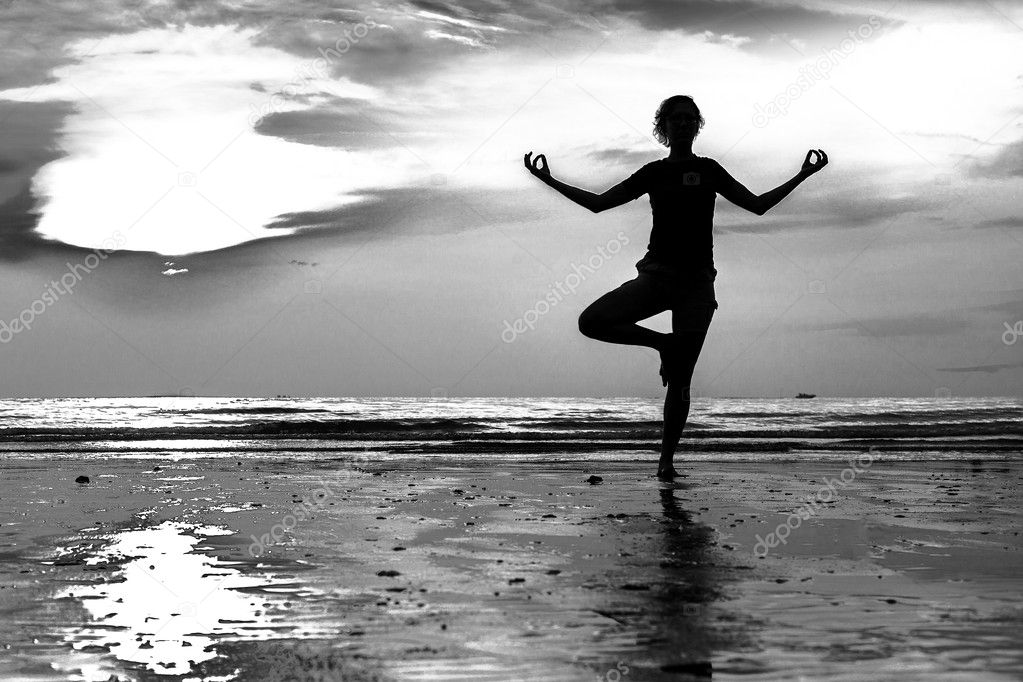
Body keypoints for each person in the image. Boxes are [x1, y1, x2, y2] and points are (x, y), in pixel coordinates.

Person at [523, 94, 828, 480]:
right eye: (675, 118)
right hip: (656, 277)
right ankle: (662, 344)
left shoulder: (710, 170)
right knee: (591, 321)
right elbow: (600, 203)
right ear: (662, 126)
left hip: (697, 287)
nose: (683, 123)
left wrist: (802, 176)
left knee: (681, 379)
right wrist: (548, 180)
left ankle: (666, 462)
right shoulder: (653, 173)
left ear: (696, 125)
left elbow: (758, 205)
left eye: (689, 118)